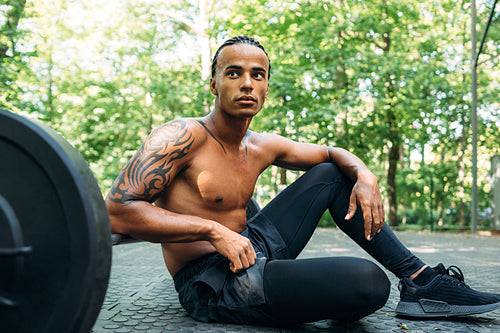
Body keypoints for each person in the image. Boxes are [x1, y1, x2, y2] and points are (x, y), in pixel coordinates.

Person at [106, 35, 500, 326]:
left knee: (332, 174)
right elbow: (116, 213)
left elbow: (330, 155)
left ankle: (420, 281)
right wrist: (212, 230)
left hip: (254, 249)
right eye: (234, 73)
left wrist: (365, 174)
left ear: (265, 87)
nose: (246, 83)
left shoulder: (260, 145)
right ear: (214, 84)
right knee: (365, 282)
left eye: (257, 75)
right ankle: (307, 293)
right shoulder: (180, 136)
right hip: (210, 280)